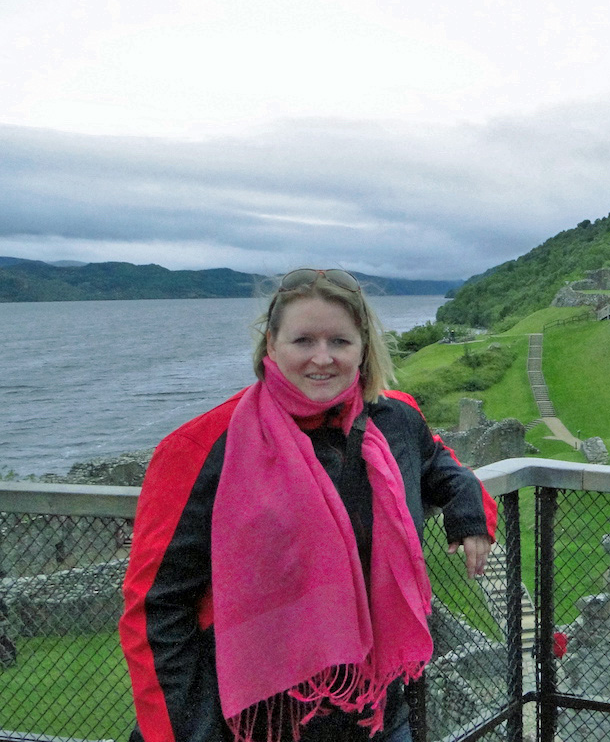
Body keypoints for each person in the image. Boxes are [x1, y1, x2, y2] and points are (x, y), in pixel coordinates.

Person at [120, 268, 497, 742]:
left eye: (339, 341)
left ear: (363, 348)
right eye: (303, 341)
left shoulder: (394, 419)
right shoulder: (202, 448)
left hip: (379, 710)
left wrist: (468, 509)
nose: (322, 358)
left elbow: (437, 460)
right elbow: (156, 608)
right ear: (271, 345)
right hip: (255, 724)